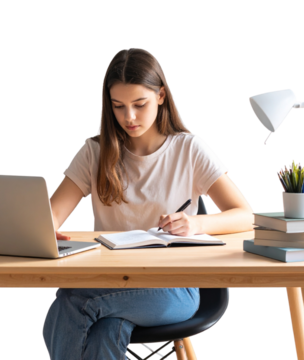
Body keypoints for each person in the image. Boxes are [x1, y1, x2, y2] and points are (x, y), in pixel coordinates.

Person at [42, 46, 254, 360]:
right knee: (105, 330)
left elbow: (246, 214)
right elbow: (52, 215)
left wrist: (196, 223)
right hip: (108, 283)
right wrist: (45, 232)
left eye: (139, 104)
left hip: (173, 290)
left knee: (73, 302)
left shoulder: (189, 149)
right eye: (118, 106)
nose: (129, 117)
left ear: (160, 96)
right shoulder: (94, 151)